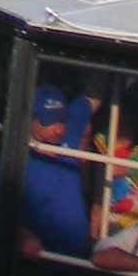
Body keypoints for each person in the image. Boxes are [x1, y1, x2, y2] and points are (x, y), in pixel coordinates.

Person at [18, 86, 96, 263]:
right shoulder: (13, 159)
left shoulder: (69, 132)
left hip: (79, 259)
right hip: (42, 261)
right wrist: (23, 236)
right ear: (31, 121)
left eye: (61, 121)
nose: (59, 129)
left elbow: (93, 95)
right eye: (50, 122)